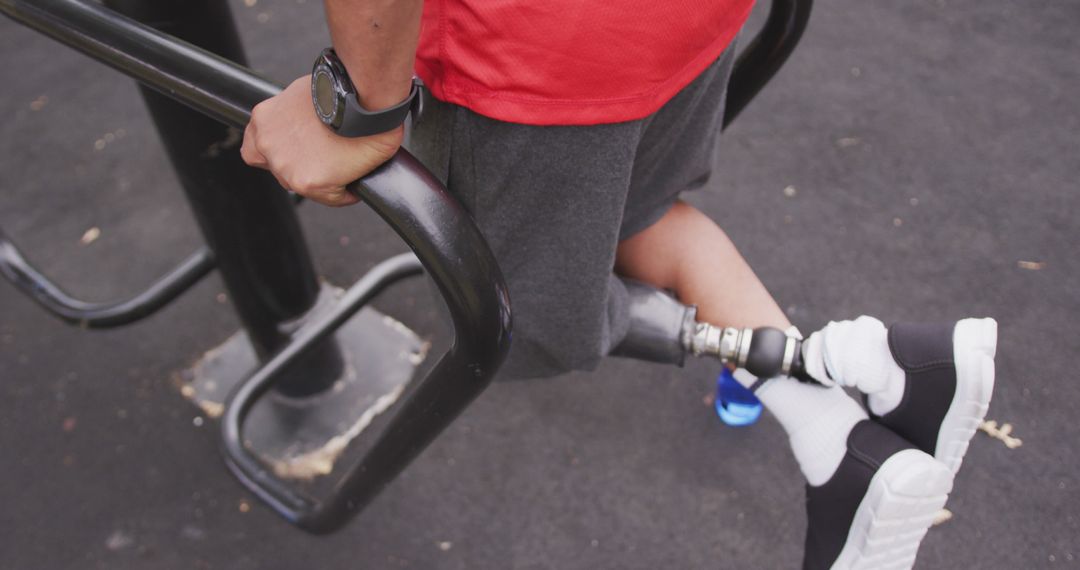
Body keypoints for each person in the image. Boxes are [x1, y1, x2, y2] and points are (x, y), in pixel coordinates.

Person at [239, 1, 997, 567]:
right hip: (674, 21)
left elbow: (518, 310)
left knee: (510, 312)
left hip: (529, 50)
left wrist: (357, 107)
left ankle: (847, 380)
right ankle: (850, 415)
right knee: (636, 216)